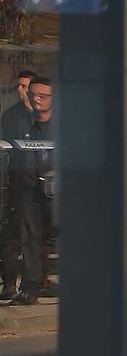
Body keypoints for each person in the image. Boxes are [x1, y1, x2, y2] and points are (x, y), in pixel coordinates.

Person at [0, 75, 54, 305]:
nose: (37, 99)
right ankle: (30, 289)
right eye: (34, 95)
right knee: (30, 238)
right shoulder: (19, 121)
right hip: (29, 189)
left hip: (59, 192)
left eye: (43, 96)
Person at [0, 71, 37, 301]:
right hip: (16, 179)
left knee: (37, 234)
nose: (21, 91)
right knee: (12, 232)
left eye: (26, 86)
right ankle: (10, 283)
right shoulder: (11, 115)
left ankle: (35, 282)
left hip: (38, 181)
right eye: (19, 86)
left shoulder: (42, 115)